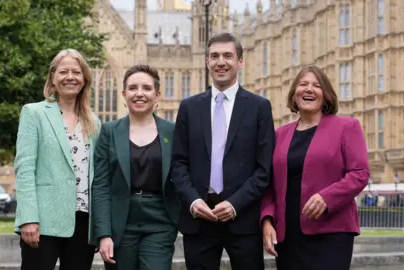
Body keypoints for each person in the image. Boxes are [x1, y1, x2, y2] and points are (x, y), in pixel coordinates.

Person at [171, 32, 275, 270]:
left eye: (228, 55)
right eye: (214, 56)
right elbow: (178, 163)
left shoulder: (259, 107)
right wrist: (193, 200)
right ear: (207, 61)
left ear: (240, 61)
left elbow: (264, 168)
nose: (221, 62)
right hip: (199, 218)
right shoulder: (189, 107)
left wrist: (235, 203)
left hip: (243, 219)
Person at [260, 65, 370, 270]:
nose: (309, 89)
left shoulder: (347, 127)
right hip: (288, 236)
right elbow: (269, 185)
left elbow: (360, 173)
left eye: (316, 85)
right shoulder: (279, 135)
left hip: (331, 233)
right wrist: (267, 220)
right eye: (303, 84)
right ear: (294, 95)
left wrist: (326, 197)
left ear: (326, 96)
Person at [14, 48, 101, 270]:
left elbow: (98, 177)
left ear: (84, 80)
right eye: (63, 72)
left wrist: (100, 228)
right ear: (52, 78)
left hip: (83, 223)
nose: (70, 77)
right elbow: (24, 170)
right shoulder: (33, 113)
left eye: (76, 72)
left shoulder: (94, 123)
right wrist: (28, 218)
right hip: (43, 221)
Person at [92, 64, 180, 270]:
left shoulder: (172, 132)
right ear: (124, 94)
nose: (139, 93)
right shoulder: (109, 131)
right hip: (120, 224)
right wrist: (103, 234)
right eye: (133, 88)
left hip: (160, 223)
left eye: (146, 88)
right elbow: (101, 185)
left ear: (157, 95)